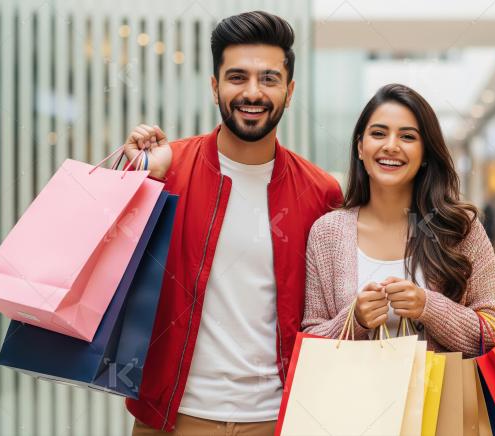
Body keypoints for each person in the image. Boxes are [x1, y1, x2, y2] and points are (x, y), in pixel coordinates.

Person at [121, 11, 342, 435]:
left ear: (289, 91)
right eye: (237, 77)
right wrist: (138, 179)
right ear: (214, 86)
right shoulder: (169, 170)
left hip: (278, 419)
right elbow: (107, 265)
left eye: (269, 79)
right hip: (171, 417)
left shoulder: (321, 193)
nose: (253, 92)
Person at [302, 84, 495, 356]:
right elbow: (310, 343)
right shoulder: (326, 233)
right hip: (353, 398)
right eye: (378, 134)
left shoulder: (459, 229)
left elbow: (494, 334)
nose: (391, 146)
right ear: (360, 147)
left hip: (442, 398)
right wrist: (355, 320)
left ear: (425, 154)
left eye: (407, 137)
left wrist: (428, 307)